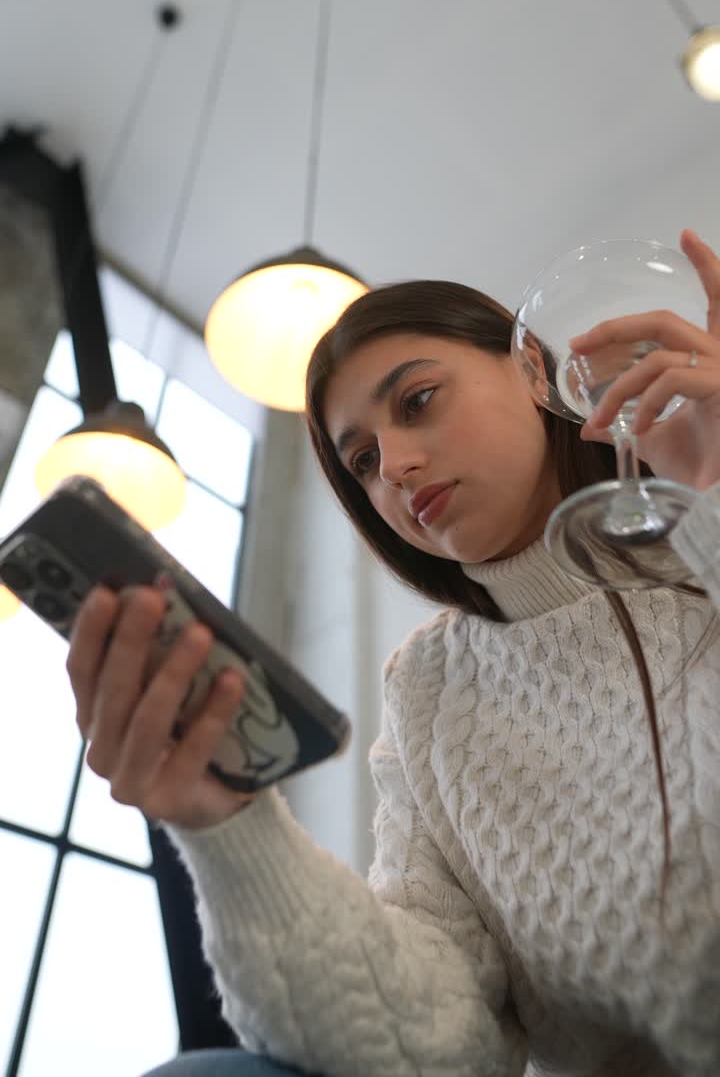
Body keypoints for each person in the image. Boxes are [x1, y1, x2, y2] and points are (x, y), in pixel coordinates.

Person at [68, 229, 720, 1077]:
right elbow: (439, 1042)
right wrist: (227, 829)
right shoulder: (430, 687)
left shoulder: (698, 549)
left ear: (533, 372)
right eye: (363, 462)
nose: (397, 471)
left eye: (416, 402)